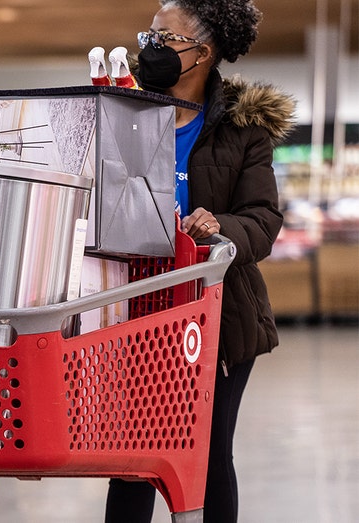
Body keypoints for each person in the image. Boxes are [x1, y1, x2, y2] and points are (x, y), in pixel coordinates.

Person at [104, 1, 295, 522]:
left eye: (164, 37)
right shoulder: (121, 112)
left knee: (208, 455)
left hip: (218, 314)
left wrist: (217, 228)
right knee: (131, 459)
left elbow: (262, 220)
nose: (151, 46)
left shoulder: (243, 129)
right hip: (132, 312)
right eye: (149, 34)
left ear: (202, 53)